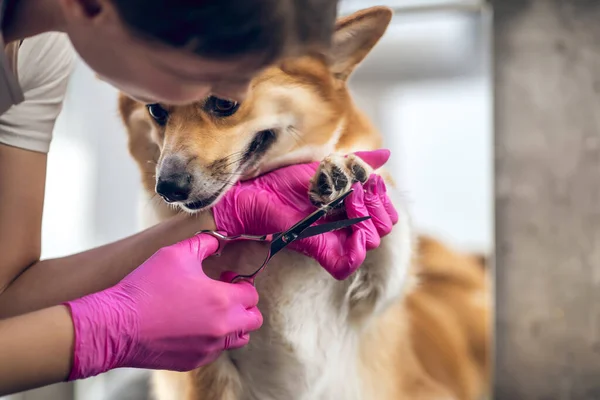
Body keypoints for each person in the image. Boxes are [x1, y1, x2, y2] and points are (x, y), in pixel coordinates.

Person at [0, 0, 399, 396]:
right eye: (221, 91)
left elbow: (8, 293)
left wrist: (222, 219)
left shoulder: (40, 49)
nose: (243, 91)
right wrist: (101, 333)